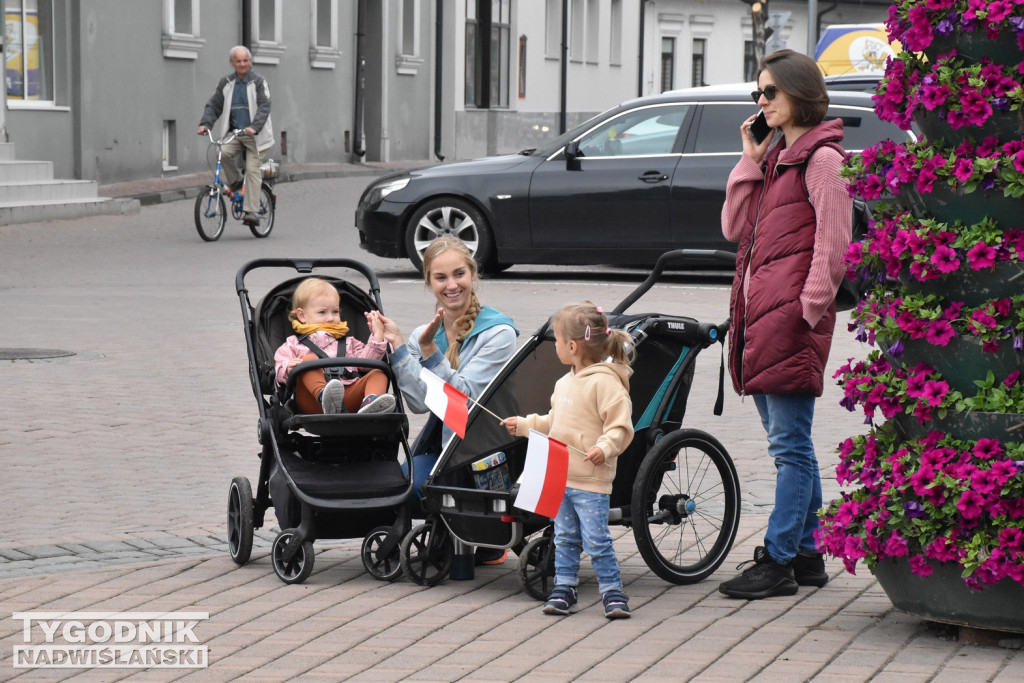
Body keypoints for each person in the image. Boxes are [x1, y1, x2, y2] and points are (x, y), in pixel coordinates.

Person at [717, 49, 852, 600]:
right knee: (791, 442)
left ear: (799, 92)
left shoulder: (823, 160)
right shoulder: (777, 158)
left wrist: (808, 309)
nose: (762, 102)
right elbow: (734, 228)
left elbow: (834, 242)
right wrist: (750, 159)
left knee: (788, 446)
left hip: (790, 319)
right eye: (758, 93)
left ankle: (776, 560)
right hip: (762, 317)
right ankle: (808, 553)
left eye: (770, 92)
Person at [369, 236, 518, 565]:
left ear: (473, 274)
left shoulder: (498, 333)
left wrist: (429, 354)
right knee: (400, 489)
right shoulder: (424, 333)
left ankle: (485, 535)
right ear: (429, 282)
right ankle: (461, 532)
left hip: (484, 453)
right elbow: (420, 404)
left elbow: (465, 403)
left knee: (425, 489)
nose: (452, 285)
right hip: (445, 447)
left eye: (459, 274)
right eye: (441, 277)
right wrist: (397, 348)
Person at [501, 302, 635, 619]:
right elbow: (554, 422)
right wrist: (524, 425)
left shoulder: (606, 383)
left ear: (572, 346)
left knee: (597, 540)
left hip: (591, 482)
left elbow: (620, 426)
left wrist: (606, 447)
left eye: (558, 341)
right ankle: (564, 588)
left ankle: (613, 593)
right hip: (561, 476)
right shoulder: (564, 383)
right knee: (563, 538)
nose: (556, 347)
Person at [274, 277, 396, 415]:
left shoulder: (350, 342)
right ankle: (323, 396)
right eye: (322, 312)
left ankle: (371, 402)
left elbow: (368, 363)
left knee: (378, 371)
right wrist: (287, 369)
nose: (331, 318)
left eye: (335, 312)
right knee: (307, 362)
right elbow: (278, 368)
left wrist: (377, 336)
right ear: (302, 316)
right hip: (311, 401)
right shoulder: (293, 343)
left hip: (349, 395)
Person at [197, 45, 274, 226]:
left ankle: (251, 211)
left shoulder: (258, 82)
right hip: (236, 134)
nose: (242, 64)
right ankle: (237, 181)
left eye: (245, 60)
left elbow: (264, 107)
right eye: (238, 61)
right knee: (220, 152)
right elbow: (214, 105)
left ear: (250, 61)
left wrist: (254, 127)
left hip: (257, 137)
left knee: (253, 168)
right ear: (232, 63)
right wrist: (204, 124)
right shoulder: (227, 83)